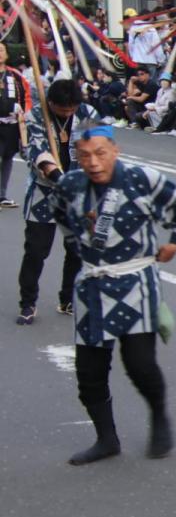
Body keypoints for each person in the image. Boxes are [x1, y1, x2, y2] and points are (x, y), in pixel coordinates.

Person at [51, 123, 176, 464]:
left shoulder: (142, 178)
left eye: (101, 153)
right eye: (85, 155)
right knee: (89, 371)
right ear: (77, 156)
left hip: (136, 281)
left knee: (140, 364)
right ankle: (106, 439)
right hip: (92, 284)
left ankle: (159, 415)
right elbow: (60, 215)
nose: (93, 162)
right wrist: (82, 246)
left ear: (115, 150)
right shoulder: (70, 184)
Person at [17, 80, 99, 325]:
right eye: (63, 110)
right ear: (51, 103)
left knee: (75, 250)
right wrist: (61, 181)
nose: (68, 113)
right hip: (46, 192)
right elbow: (38, 154)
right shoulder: (36, 116)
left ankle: (67, 299)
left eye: (71, 109)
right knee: (36, 251)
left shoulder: (88, 114)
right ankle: (28, 302)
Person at [0, 43, 31, 208]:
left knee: (7, 158)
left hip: (11, 123)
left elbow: (27, 95)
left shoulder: (14, 75)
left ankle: (2, 195)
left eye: (1, 50)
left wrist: (24, 111)